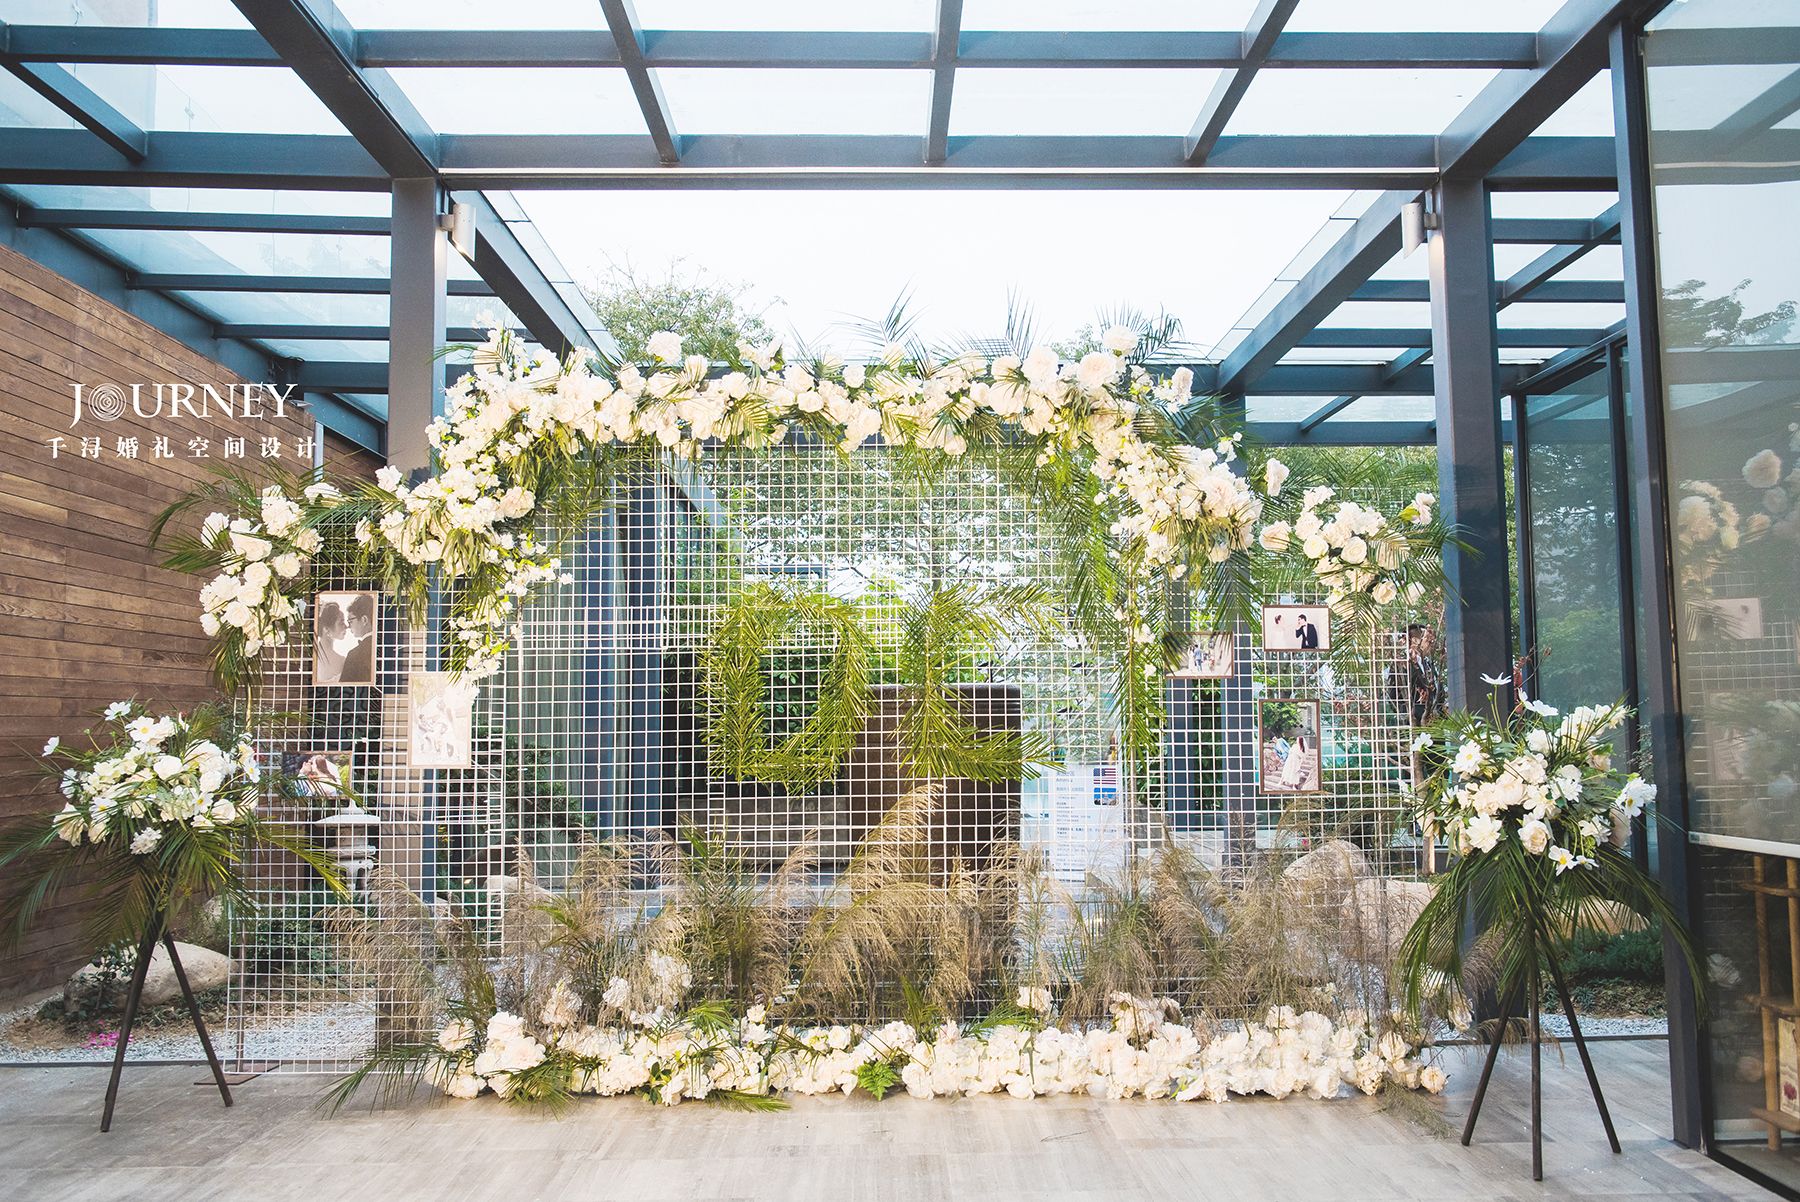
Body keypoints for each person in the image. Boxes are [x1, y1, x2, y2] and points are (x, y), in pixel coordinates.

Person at [339, 593, 376, 684]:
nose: (348, 626)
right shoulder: (385, 646)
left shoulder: (354, 655)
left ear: (364, 620)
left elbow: (342, 688)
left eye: (350, 621)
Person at [315, 599, 348, 683]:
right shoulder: (341, 661)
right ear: (327, 629)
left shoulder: (342, 660)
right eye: (341, 622)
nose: (346, 626)